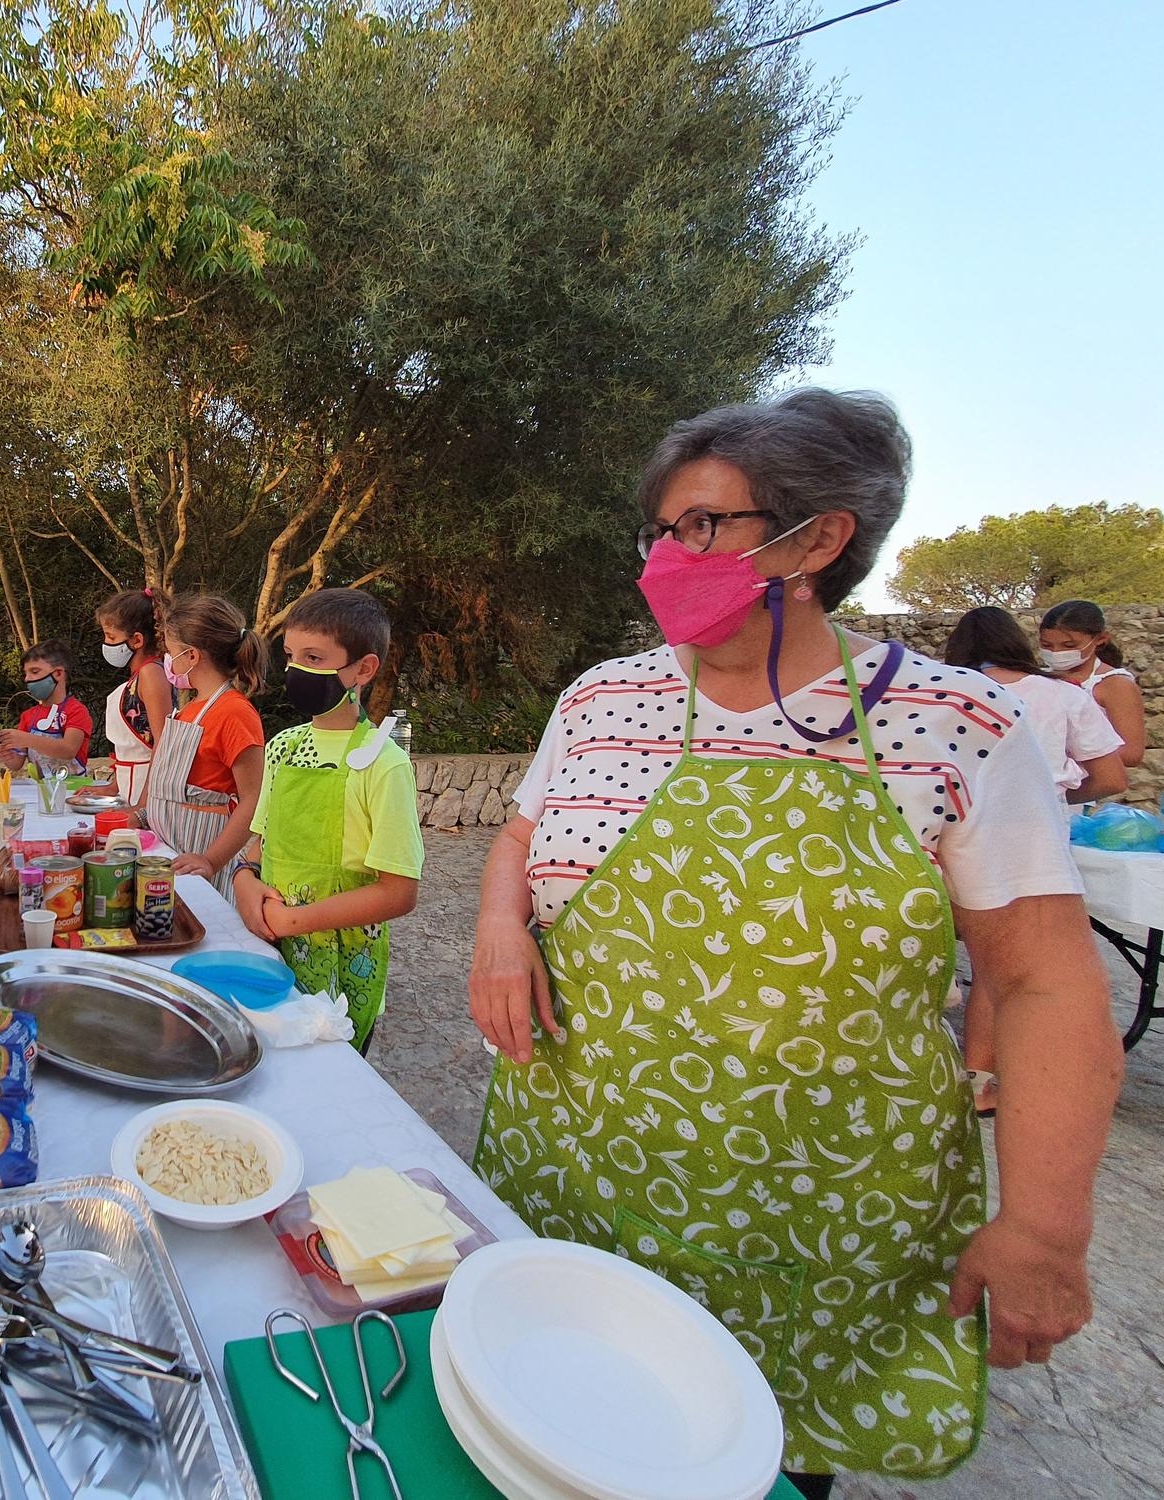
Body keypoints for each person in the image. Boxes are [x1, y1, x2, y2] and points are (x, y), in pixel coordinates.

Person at [465, 389, 1123, 1498]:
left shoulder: (954, 726)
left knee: (737, 1463)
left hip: (812, 1224)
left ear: (818, 538)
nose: (668, 556)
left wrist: (1043, 1229)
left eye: (702, 526)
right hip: (574, 1176)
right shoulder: (597, 699)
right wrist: (496, 928)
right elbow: (519, 834)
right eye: (660, 531)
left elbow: (1049, 982)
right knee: (539, 1434)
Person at [943, 606, 1126, 1116]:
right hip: (1026, 843)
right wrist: (1046, 797)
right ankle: (979, 1079)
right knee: (1008, 962)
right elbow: (1112, 776)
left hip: (943, 834)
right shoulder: (1063, 696)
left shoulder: (943, 691)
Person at [235, 588, 423, 1048]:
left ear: (364, 668)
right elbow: (256, 847)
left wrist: (292, 921)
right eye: (291, 656)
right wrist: (244, 883)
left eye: (315, 658)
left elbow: (399, 892)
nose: (297, 670)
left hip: (345, 965)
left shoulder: (384, 763)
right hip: (272, 950)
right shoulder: (284, 746)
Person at [146, 594, 270, 898]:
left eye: (171, 652)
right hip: (169, 856)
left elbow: (254, 799)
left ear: (192, 656)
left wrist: (210, 860)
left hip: (203, 869)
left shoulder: (234, 713)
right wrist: (138, 817)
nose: (168, 662)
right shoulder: (189, 710)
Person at [943, 607, 1126, 803]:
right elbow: (1112, 779)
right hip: (1040, 823)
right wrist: (1053, 801)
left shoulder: (934, 695)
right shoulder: (1065, 693)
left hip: (956, 820)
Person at [1039, 598, 1146, 768]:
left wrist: (1062, 753)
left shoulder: (1115, 684)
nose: (1056, 652)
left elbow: (1131, 753)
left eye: (1069, 646)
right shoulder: (1038, 679)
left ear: (1100, 639)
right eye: (1047, 645)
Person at [96, 588, 173, 806]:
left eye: (111, 637)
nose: (106, 643)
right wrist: (112, 788)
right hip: (130, 794)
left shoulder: (151, 674)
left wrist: (143, 807)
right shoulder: (140, 676)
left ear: (137, 640)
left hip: (147, 798)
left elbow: (162, 743)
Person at [0, 640, 93, 773]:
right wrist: (6, 754)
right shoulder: (28, 716)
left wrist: (27, 739)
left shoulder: (76, 711)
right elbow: (17, 764)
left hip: (72, 789)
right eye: (26, 673)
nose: (27, 679)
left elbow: (68, 750)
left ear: (58, 673)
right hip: (40, 789)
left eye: (34, 672)